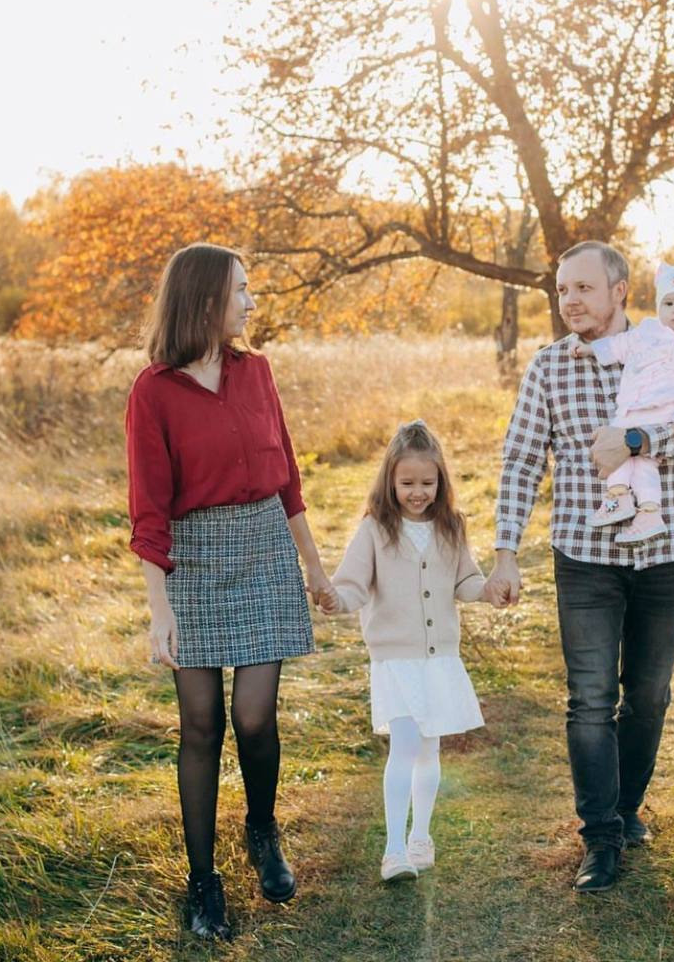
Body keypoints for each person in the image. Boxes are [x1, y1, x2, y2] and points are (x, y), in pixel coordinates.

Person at [489, 241, 674, 893]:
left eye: (584, 289)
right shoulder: (548, 367)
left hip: (661, 554)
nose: (571, 302)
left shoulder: (668, 347)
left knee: (647, 695)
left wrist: (639, 440)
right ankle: (600, 836)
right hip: (584, 558)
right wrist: (506, 549)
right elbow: (519, 460)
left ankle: (624, 810)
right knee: (590, 699)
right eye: (563, 290)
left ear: (622, 291)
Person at [126, 243, 334, 941]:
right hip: (193, 560)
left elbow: (289, 478)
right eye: (241, 291)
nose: (251, 302)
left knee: (253, 717)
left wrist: (313, 566)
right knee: (201, 725)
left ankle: (263, 831)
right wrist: (160, 610)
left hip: (265, 546)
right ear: (205, 299)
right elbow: (148, 510)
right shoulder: (153, 390)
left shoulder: (258, 373)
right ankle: (202, 880)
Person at [318, 420, 505, 882]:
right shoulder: (375, 531)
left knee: (429, 750)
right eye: (407, 484)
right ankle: (393, 848)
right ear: (390, 482)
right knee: (403, 747)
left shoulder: (450, 527)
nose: (418, 492)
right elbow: (352, 587)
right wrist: (335, 600)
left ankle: (422, 836)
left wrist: (490, 590)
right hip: (396, 660)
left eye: (427, 482)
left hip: (439, 659)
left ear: (441, 481)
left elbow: (466, 581)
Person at [571, 261, 674, 541]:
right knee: (615, 443)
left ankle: (650, 512)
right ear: (658, 306)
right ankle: (619, 497)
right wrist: (592, 349)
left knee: (644, 462)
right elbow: (621, 345)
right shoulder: (647, 331)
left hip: (662, 409)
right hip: (631, 406)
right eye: (669, 304)